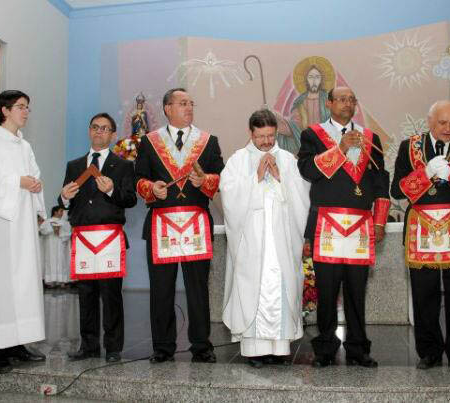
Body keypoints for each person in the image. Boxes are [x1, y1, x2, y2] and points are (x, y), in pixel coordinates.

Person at [297, 86, 390, 368]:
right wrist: (341, 149)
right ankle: (325, 348)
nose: (347, 104)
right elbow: (307, 170)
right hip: (326, 222)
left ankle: (358, 348)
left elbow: (380, 181)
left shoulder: (370, 137)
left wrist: (381, 220)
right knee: (326, 290)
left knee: (356, 290)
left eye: (352, 99)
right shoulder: (312, 134)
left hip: (361, 223)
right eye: (342, 99)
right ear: (329, 103)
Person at [390, 100, 450, 372]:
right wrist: (426, 172)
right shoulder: (408, 147)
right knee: (424, 293)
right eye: (442, 123)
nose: (448, 128)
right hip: (421, 226)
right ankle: (429, 352)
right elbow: (396, 191)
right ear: (430, 122)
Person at [135, 88, 224, 364]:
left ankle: (201, 346)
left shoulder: (208, 141)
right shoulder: (150, 142)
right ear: (167, 108)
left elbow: (219, 176)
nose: (188, 107)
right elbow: (139, 179)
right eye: (182, 103)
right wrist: (152, 188)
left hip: (196, 221)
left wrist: (205, 181)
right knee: (162, 288)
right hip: (162, 223)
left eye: (190, 103)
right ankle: (162, 347)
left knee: (198, 288)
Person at [220, 109, 310, 368]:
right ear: (251, 133)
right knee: (253, 290)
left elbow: (302, 195)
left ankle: (279, 349)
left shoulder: (288, 160)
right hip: (252, 243)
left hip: (281, 240)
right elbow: (229, 196)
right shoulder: (238, 160)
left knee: (281, 287)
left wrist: (281, 178)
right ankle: (255, 350)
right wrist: (256, 177)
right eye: (261, 136)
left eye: (271, 136)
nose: (267, 142)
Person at [0, 90, 47, 374]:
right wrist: (19, 181)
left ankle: (18, 342)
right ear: (4, 110)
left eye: (27, 107)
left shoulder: (23, 146)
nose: (26, 112)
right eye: (21, 107)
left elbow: (34, 176)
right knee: (1, 284)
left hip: (22, 225)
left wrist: (35, 187)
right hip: (0, 226)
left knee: (23, 282)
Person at [59, 112, 137, 363]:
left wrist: (112, 190)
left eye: (104, 128)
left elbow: (131, 199)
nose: (99, 132)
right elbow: (63, 201)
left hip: (109, 238)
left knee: (111, 294)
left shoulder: (123, 166)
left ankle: (113, 347)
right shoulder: (74, 165)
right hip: (82, 237)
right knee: (86, 295)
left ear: (113, 135)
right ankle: (88, 345)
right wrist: (64, 197)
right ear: (89, 130)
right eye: (95, 127)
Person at [39, 206, 71, 287]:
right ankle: (50, 282)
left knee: (61, 261)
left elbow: (69, 234)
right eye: (60, 211)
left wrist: (60, 233)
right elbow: (42, 231)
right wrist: (52, 229)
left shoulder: (64, 222)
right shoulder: (47, 222)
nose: (62, 213)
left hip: (61, 245)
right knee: (50, 261)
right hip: (50, 245)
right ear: (55, 212)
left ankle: (62, 281)